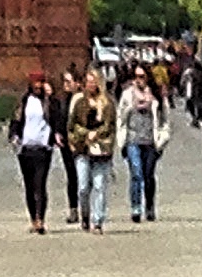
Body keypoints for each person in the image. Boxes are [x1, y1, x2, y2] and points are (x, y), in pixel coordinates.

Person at [118, 68, 169, 224]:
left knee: (148, 175)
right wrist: (132, 106)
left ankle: (150, 206)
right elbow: (120, 116)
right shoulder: (127, 95)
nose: (138, 80)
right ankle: (136, 207)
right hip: (132, 139)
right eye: (136, 77)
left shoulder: (156, 96)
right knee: (136, 173)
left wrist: (163, 138)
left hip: (151, 141)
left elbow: (165, 119)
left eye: (141, 76)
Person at [69, 73, 116, 232]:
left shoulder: (107, 103)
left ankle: (98, 221)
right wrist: (83, 134)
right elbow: (72, 124)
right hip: (82, 148)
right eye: (88, 82)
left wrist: (97, 134)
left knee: (99, 185)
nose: (91, 85)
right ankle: (85, 215)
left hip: (101, 149)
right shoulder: (79, 103)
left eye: (94, 82)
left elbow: (110, 126)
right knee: (83, 187)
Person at [14, 74, 60, 234]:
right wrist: (14, 136)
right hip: (26, 148)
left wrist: (55, 136)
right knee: (28, 186)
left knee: (40, 184)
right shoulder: (24, 101)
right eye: (36, 82)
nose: (38, 85)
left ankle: (41, 219)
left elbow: (56, 118)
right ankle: (33, 218)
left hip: (43, 148)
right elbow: (16, 120)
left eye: (41, 82)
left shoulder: (48, 102)